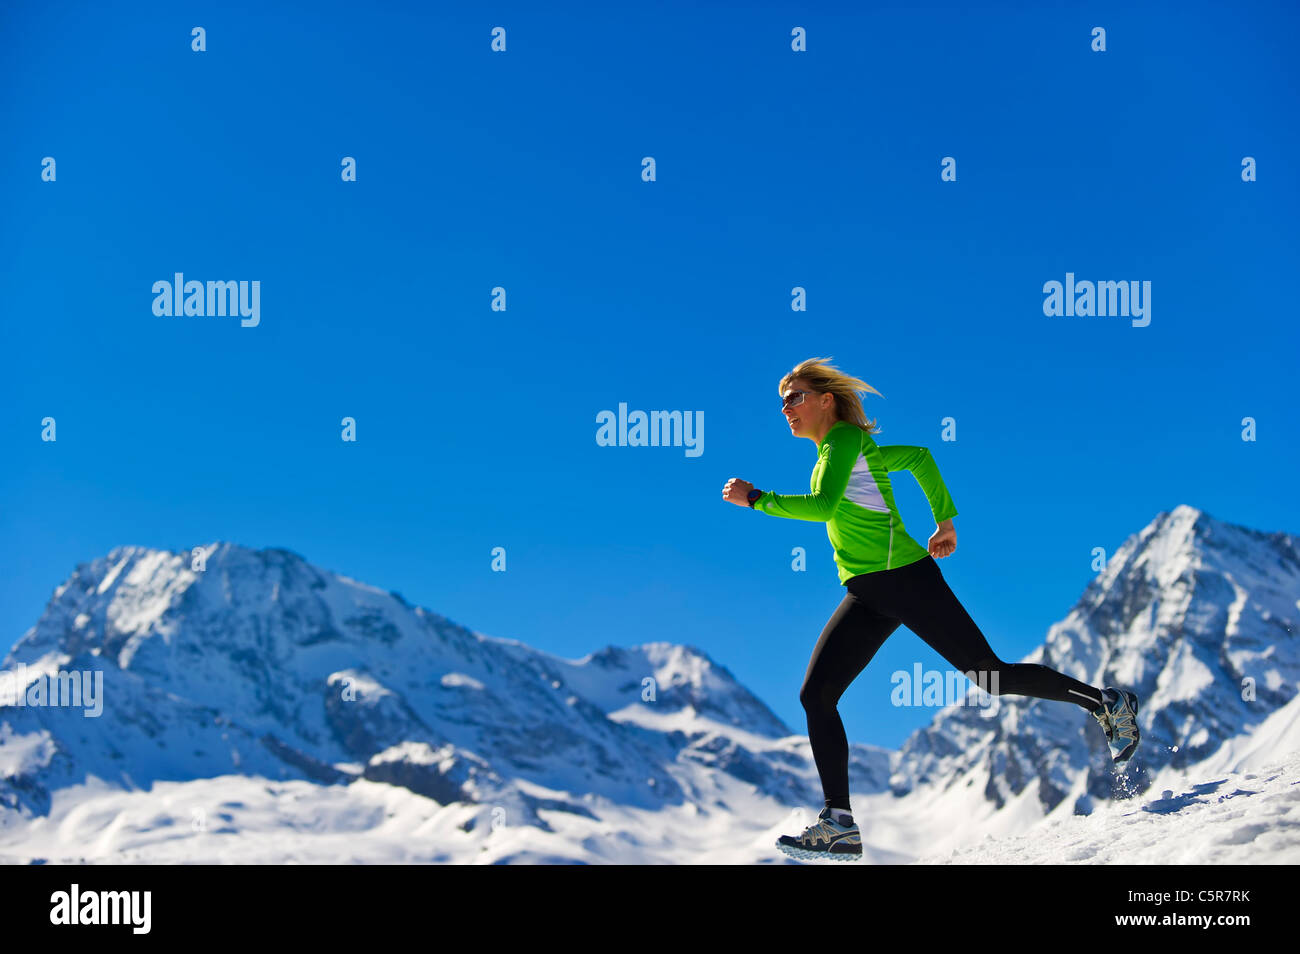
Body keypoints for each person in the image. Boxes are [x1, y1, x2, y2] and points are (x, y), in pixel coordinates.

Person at [722, 357, 1140, 863]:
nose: (786, 408)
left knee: (993, 677)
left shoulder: (843, 442)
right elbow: (919, 456)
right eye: (782, 401)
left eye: (795, 397)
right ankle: (840, 825)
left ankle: (1106, 703)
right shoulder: (853, 449)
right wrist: (944, 522)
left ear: (825, 400)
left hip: (906, 580)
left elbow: (823, 505)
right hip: (868, 592)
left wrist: (758, 499)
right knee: (817, 695)